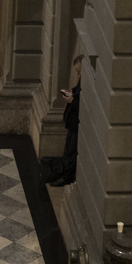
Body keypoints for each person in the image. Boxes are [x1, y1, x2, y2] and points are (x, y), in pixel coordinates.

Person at [48, 55, 82, 187]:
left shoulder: (88, 81)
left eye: (79, 71)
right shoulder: (82, 81)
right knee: (68, 150)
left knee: (72, 152)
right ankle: (63, 174)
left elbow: (85, 105)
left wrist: (72, 100)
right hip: (73, 123)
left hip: (77, 124)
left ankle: (66, 177)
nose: (78, 74)